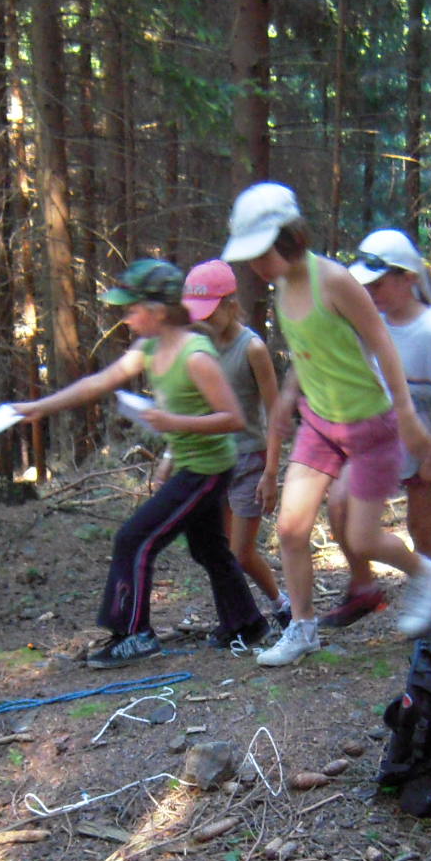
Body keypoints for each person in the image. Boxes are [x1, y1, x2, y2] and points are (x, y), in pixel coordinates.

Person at [219, 183, 431, 668]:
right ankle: (303, 628)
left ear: (289, 238)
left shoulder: (335, 281)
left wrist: (406, 414)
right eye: (250, 258)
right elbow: (309, 350)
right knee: (290, 528)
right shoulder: (283, 288)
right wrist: (289, 396)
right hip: (320, 425)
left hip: (370, 426)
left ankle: (424, 573)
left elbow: (382, 343)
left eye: (261, 254)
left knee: (362, 539)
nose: (256, 267)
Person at [10, 259, 265, 669]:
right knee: (208, 548)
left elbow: (234, 418)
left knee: (134, 538)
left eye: (132, 309)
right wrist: (42, 406)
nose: (126, 318)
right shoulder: (150, 348)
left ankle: (135, 634)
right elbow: (98, 382)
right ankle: (247, 623)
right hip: (193, 463)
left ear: (158, 311)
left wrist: (173, 423)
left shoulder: (196, 356)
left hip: (208, 469)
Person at [318, 228, 431, 636]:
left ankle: (428, 611)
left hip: (429, 448)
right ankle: (363, 586)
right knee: (340, 504)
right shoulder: (374, 323)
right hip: (380, 442)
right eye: (365, 286)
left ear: (408, 278)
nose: (371, 293)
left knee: (424, 529)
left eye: (379, 284)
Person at [181, 258, 290, 629]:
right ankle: (239, 618)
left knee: (241, 552)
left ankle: (281, 604)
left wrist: (271, 473)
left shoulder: (252, 348)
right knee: (220, 551)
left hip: (248, 460)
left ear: (230, 304)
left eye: (210, 312)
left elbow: (275, 414)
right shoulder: (199, 347)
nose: (203, 321)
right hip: (214, 461)